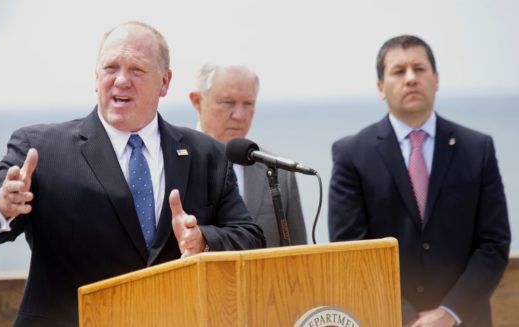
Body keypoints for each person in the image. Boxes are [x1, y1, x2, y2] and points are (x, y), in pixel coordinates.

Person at [0, 22, 265, 327]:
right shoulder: (42, 149)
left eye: (136, 70)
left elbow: (251, 238)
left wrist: (203, 241)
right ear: (96, 77)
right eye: (111, 68)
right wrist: (2, 205)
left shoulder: (205, 154)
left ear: (164, 82)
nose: (121, 81)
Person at [328, 35, 510, 327]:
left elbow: (494, 243)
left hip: (465, 320)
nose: (411, 78)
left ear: (436, 79)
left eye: (419, 68)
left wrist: (449, 313)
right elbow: (350, 250)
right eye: (399, 71)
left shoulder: (478, 149)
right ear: (380, 87)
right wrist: (406, 318)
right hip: (386, 319)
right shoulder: (351, 154)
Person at [189, 63, 307, 247]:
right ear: (197, 101)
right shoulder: (173, 162)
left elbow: (299, 258)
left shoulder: (278, 172)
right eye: (228, 103)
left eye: (248, 104)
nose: (239, 115)